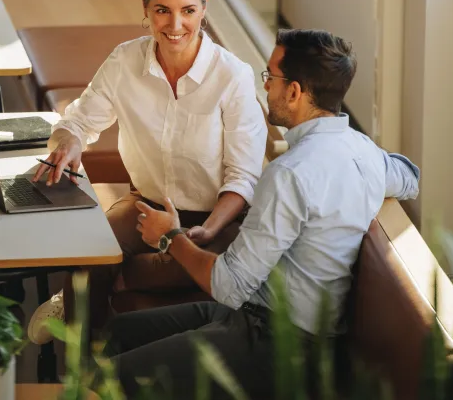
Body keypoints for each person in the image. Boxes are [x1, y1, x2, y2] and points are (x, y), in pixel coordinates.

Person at [102, 29, 421, 399]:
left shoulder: (289, 174)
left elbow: (228, 284)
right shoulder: (362, 151)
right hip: (262, 318)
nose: (265, 86)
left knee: (110, 377)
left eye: (270, 77)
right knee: (114, 334)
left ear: (295, 92)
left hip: (280, 344)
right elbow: (409, 178)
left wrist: (169, 237)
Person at [26, 0, 268, 345]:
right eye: (162, 11)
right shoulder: (125, 61)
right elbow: (78, 122)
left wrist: (199, 233)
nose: (175, 26)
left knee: (194, 265)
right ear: (146, 11)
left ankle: (95, 286)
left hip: (219, 217)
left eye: (188, 11)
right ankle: (85, 372)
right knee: (89, 251)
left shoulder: (232, 76)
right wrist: (69, 143)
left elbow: (243, 179)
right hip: (147, 206)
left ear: (204, 10)